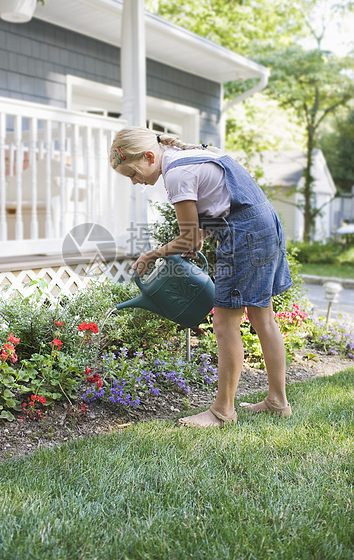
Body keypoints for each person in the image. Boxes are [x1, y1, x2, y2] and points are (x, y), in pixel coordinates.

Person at [110, 126, 293, 428]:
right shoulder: (190, 156)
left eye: (132, 173)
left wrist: (151, 255)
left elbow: (188, 238)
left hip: (244, 235)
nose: (135, 182)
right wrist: (195, 239)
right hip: (263, 225)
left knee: (224, 321)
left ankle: (223, 411)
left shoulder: (176, 175)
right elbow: (215, 210)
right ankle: (277, 401)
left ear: (149, 156)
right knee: (263, 318)